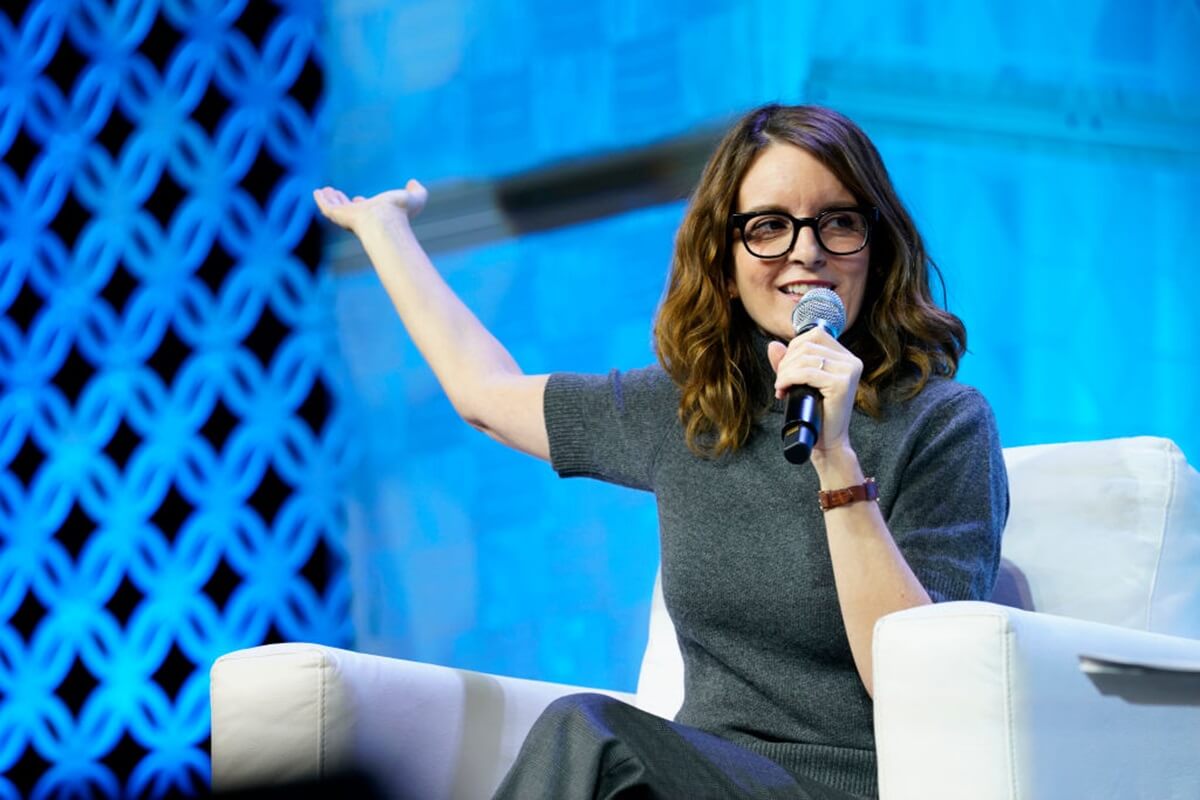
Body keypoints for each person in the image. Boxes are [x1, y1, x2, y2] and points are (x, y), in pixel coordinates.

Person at [313, 104, 1008, 800]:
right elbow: (485, 395)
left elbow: (919, 686)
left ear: (874, 245)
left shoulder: (943, 423)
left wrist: (837, 460)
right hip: (693, 777)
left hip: (852, 786)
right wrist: (386, 232)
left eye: (838, 221)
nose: (806, 251)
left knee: (587, 733)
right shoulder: (693, 409)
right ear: (725, 256)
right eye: (769, 226)